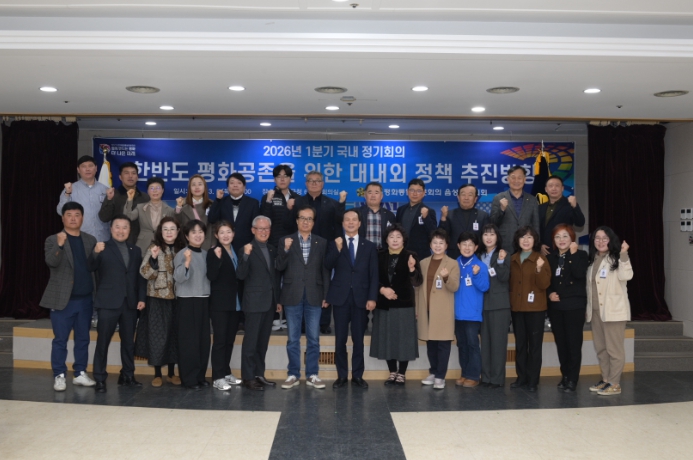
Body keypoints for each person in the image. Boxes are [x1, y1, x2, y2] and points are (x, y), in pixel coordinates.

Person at [40, 202, 97, 391]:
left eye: (77, 214)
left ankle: (80, 373)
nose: (73, 218)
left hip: (85, 299)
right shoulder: (53, 239)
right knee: (60, 340)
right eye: (69, 215)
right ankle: (59, 375)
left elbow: (94, 267)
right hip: (63, 300)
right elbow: (51, 262)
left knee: (83, 339)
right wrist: (60, 245)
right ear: (63, 217)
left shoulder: (90, 240)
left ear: (82, 218)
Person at [88, 215, 146, 393]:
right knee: (103, 342)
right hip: (108, 302)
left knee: (128, 343)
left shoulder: (135, 250)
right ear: (111, 229)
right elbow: (90, 267)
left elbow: (139, 277)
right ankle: (100, 378)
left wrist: (142, 298)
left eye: (125, 227)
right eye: (117, 227)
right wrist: (95, 252)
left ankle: (127, 375)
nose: (121, 231)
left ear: (130, 230)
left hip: (130, 303)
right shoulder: (102, 247)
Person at [276, 205, 330, 389]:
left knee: (314, 338)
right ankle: (293, 374)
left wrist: (326, 295)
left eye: (309, 219)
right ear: (297, 220)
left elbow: (325, 271)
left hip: (315, 294)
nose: (306, 222)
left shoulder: (321, 242)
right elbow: (279, 267)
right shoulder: (285, 240)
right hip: (292, 294)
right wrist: (285, 250)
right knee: (293, 338)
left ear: (313, 222)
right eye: (302, 218)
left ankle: (312, 374)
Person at [325, 209, 379, 389]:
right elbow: (327, 265)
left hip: (361, 299)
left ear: (359, 223)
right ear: (342, 223)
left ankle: (357, 375)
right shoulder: (335, 243)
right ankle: (341, 375)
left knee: (358, 339)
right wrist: (337, 249)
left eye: (353, 219)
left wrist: (372, 298)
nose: (350, 222)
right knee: (340, 339)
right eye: (346, 219)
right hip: (340, 298)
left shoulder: (369, 246)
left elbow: (374, 274)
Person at [292, 170, 347, 334]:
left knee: (325, 284)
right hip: (301, 249)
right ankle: (302, 323)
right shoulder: (297, 203)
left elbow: (338, 227)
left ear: (323, 184)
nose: (314, 183)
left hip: (325, 250)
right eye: (311, 180)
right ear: (306, 184)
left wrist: (336, 248)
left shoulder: (332, 203)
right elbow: (289, 225)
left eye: (317, 181)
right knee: (302, 284)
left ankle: (324, 322)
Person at [134, 217, 185, 387]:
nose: (169, 232)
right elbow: (145, 273)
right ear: (160, 232)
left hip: (177, 299)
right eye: (165, 229)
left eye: (172, 229)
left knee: (173, 336)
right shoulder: (153, 248)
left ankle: (171, 373)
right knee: (157, 337)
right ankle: (157, 374)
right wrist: (154, 260)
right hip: (157, 299)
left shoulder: (182, 249)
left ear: (178, 232)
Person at [371, 225, 423, 386]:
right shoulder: (379, 255)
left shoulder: (411, 255)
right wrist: (382, 289)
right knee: (387, 338)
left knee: (404, 340)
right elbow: (372, 278)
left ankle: (402, 373)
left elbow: (417, 281)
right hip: (384, 303)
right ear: (386, 240)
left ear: (403, 240)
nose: (395, 240)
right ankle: (392, 371)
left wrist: (412, 268)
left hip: (404, 304)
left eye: (398, 237)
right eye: (391, 237)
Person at [236, 216, 281, 391]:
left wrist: (277, 300)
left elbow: (274, 277)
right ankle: (248, 377)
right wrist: (246, 255)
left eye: (267, 228)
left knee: (262, 343)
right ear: (253, 230)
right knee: (251, 343)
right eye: (260, 228)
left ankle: (259, 374)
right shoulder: (246, 249)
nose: (264, 231)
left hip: (269, 303)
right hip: (254, 303)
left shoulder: (271, 249)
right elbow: (240, 275)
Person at [586, 226, 633, 396]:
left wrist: (624, 254)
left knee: (614, 350)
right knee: (601, 348)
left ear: (611, 240)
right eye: (597, 238)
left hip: (613, 312)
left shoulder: (616, 258)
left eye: (604, 238)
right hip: (596, 312)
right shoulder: (593, 260)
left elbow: (627, 275)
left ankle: (615, 383)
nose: (600, 241)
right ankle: (606, 379)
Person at [508, 226, 551, 392]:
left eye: (529, 237)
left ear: (535, 241)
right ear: (517, 240)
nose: (526, 241)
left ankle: (533, 380)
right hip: (517, 308)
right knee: (520, 345)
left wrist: (539, 269)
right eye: (522, 237)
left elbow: (544, 284)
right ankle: (521, 377)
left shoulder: (541, 259)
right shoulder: (512, 259)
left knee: (534, 346)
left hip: (535, 309)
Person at [547, 224, 588, 393]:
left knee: (573, 343)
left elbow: (578, 274)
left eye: (565, 236)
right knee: (561, 343)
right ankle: (565, 376)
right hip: (556, 307)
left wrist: (572, 255)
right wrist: (550, 293)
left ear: (572, 238)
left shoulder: (581, 255)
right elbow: (546, 281)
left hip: (574, 306)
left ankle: (572, 379)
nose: (561, 240)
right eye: (557, 237)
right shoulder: (550, 258)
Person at [416, 229, 460, 390]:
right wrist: (417, 308)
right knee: (431, 343)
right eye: (435, 242)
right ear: (430, 244)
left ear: (447, 245)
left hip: (443, 311)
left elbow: (455, 287)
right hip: (426, 309)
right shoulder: (423, 263)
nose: (438, 245)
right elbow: (417, 288)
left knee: (443, 344)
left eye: (441, 242)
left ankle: (440, 376)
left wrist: (446, 277)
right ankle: (433, 372)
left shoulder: (452, 263)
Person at [173, 219, 211, 390]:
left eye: (200, 232)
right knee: (189, 343)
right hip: (187, 301)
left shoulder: (206, 254)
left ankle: (200, 376)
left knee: (203, 342)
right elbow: (178, 277)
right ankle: (189, 379)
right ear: (187, 236)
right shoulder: (182, 254)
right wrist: (187, 262)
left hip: (203, 300)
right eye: (193, 232)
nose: (198, 235)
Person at [206, 221, 243, 391]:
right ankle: (217, 377)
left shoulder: (236, 251)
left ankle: (226, 372)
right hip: (220, 303)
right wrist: (218, 259)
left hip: (235, 303)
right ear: (216, 235)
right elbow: (211, 276)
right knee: (220, 341)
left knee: (229, 340)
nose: (226, 235)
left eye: (228, 232)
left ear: (233, 234)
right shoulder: (213, 251)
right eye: (222, 232)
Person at [453, 232, 490, 388]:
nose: (467, 247)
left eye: (470, 245)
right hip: (457, 313)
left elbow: (485, 287)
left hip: (472, 314)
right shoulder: (454, 264)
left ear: (476, 247)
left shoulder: (480, 266)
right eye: (464, 244)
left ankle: (474, 376)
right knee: (462, 345)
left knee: (473, 344)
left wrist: (476, 275)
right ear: (458, 246)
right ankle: (465, 373)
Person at [477, 224, 511, 389]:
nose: (488, 237)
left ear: (497, 237)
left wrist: (500, 261)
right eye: (485, 234)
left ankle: (497, 379)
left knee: (498, 343)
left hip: (499, 305)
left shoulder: (503, 254)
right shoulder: (478, 255)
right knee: (485, 343)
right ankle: (486, 377)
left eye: (492, 234)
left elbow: (504, 277)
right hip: (482, 304)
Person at [57, 155, 110, 242]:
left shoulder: (105, 190)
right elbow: (60, 211)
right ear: (78, 170)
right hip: (80, 240)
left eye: (90, 166)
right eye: (84, 166)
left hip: (103, 239)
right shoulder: (70, 189)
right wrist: (67, 194)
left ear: (96, 168)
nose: (87, 169)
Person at [490, 166, 540, 254]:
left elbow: (536, 225)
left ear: (525, 180)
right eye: (513, 177)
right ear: (508, 179)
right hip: (504, 246)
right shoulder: (498, 198)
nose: (516, 181)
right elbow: (492, 223)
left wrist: (536, 247)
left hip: (526, 246)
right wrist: (501, 210)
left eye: (519, 178)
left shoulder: (532, 200)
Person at [208, 172, 260, 255]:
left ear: (244, 187)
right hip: (224, 246)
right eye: (232, 183)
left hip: (246, 246)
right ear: (228, 187)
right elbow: (212, 219)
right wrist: (217, 200)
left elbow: (256, 226)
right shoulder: (221, 202)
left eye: (239, 183)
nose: (235, 185)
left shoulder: (253, 203)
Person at [99, 162, 150, 246]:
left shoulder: (145, 197)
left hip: (141, 243)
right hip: (119, 242)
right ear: (120, 177)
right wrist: (109, 199)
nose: (130, 176)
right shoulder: (113, 195)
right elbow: (104, 218)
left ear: (137, 177)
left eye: (133, 173)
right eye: (126, 173)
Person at [123, 177, 175, 254]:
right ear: (148, 191)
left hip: (162, 245)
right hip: (143, 245)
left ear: (162, 190)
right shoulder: (140, 207)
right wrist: (130, 200)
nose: (155, 191)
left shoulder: (170, 210)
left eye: (158, 188)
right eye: (152, 188)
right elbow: (128, 217)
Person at [439, 184, 489, 259]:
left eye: (470, 195)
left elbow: (486, 238)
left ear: (475, 198)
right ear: (458, 197)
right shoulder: (449, 214)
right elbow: (442, 236)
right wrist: (443, 218)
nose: (466, 198)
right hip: (454, 256)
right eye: (463, 194)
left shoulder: (483, 216)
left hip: (476, 257)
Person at [538, 176, 585, 256]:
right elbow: (536, 229)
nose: (554, 188)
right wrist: (540, 245)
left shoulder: (569, 205)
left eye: (557, 185)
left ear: (562, 188)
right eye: (551, 186)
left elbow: (580, 223)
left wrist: (575, 206)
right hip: (545, 251)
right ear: (546, 189)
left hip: (563, 250)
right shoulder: (540, 207)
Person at [396, 178, 437, 260]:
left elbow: (433, 233)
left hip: (421, 255)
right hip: (401, 253)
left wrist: (426, 218)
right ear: (407, 192)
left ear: (424, 193)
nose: (415, 193)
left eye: (418, 191)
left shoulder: (429, 211)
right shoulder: (401, 210)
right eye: (412, 190)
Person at [261, 164, 301, 248]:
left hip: (293, 243)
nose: (282, 179)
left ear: (290, 179)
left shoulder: (297, 198)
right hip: (273, 243)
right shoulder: (267, 197)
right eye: (279, 176)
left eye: (285, 176)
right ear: (274, 179)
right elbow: (264, 221)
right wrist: (268, 201)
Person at [175, 174, 214, 250]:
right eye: (193, 185)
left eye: (200, 184)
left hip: (208, 246)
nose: (197, 187)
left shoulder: (211, 205)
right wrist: (179, 207)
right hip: (188, 247)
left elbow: (214, 227)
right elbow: (178, 224)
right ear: (189, 188)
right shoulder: (182, 203)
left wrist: (213, 245)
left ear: (204, 187)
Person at [357, 181, 397, 250]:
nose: (373, 196)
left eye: (376, 193)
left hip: (382, 253)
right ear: (365, 195)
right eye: (370, 193)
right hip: (362, 252)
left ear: (381, 196)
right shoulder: (357, 213)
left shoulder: (389, 215)